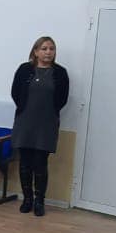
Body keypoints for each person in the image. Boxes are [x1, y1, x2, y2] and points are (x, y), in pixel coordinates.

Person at [10, 37, 70, 217]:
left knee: (40, 163)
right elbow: (15, 93)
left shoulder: (60, 73)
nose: (48, 52)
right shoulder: (24, 69)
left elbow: (62, 99)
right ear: (35, 52)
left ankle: (39, 201)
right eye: (44, 48)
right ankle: (27, 199)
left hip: (46, 124)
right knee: (25, 163)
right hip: (25, 122)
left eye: (51, 48)